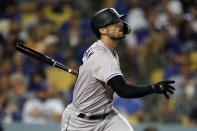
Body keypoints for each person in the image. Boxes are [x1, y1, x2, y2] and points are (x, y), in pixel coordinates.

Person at [61, 8, 175, 131]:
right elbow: (124, 91)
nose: (120, 24)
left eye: (120, 21)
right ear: (102, 30)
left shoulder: (107, 50)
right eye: (114, 22)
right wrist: (153, 88)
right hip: (80, 122)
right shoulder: (103, 57)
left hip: (107, 116)